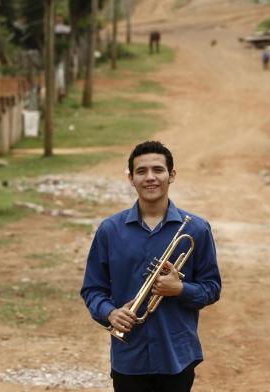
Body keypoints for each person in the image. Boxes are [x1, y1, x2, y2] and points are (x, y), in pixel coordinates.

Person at [81, 140, 221, 392]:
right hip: (129, 358)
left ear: (172, 175)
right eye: (141, 171)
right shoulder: (110, 230)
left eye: (158, 170)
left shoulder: (196, 230)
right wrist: (110, 313)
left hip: (176, 356)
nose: (150, 178)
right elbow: (92, 289)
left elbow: (212, 288)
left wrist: (179, 289)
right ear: (131, 179)